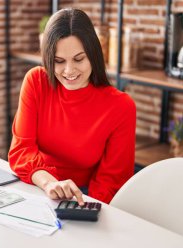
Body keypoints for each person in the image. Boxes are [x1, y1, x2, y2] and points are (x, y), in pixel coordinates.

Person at [8, 8, 136, 205]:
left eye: (79, 59)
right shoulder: (36, 81)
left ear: (93, 54)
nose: (69, 71)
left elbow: (111, 181)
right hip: (38, 184)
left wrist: (80, 208)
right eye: (59, 61)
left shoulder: (121, 106)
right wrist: (50, 184)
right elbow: (21, 150)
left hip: (84, 197)